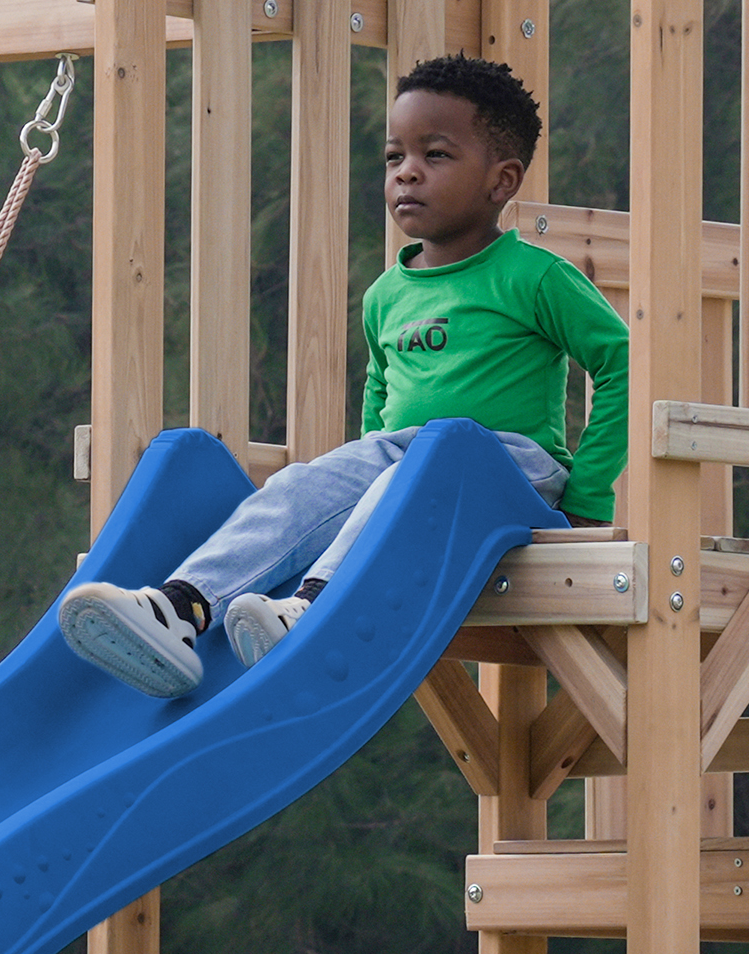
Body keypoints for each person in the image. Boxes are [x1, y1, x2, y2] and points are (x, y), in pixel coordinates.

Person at [54, 55, 625, 697]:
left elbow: (622, 364)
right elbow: (380, 397)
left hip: (507, 473)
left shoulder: (534, 277)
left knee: (408, 472)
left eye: (435, 155)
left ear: (502, 180)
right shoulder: (385, 295)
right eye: (394, 157)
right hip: (407, 461)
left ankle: (316, 608)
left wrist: (587, 499)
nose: (407, 171)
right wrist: (358, 468)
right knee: (301, 483)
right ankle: (180, 606)